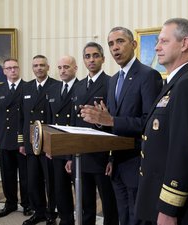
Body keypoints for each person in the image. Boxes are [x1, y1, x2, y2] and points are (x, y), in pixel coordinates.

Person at [80, 27, 162, 225]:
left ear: (133, 44)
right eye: (111, 44)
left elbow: (149, 123)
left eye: (120, 41)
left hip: (137, 162)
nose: (115, 48)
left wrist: (110, 120)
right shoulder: (114, 79)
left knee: (137, 218)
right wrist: (109, 153)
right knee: (122, 216)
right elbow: (111, 122)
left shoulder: (149, 75)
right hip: (116, 163)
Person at [134, 18, 188, 225]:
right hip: (155, 194)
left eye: (164, 41)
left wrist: (169, 207)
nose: (157, 47)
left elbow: (182, 150)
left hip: (169, 202)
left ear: (184, 44)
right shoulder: (173, 82)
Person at [65, 42, 119, 225]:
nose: (91, 59)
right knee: (84, 203)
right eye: (87, 56)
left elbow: (114, 122)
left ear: (103, 59)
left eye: (96, 55)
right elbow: (73, 122)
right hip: (81, 155)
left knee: (109, 204)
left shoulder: (111, 82)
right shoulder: (78, 86)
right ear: (83, 61)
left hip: (102, 155)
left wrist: (112, 158)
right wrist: (70, 157)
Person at [0, 58, 33, 218]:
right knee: (7, 175)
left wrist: (26, 140)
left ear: (19, 69)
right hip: (4, 139)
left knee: (26, 176)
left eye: (15, 67)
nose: (12, 70)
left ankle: (28, 204)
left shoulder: (29, 88)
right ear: (4, 71)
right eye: (9, 68)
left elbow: (29, 117)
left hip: (23, 140)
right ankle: (10, 203)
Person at [18, 55, 58, 225]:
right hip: (31, 142)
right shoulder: (26, 88)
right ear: (32, 68)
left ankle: (51, 212)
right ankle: (39, 211)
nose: (39, 68)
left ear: (48, 67)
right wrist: (22, 142)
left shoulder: (55, 85)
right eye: (35, 65)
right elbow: (21, 117)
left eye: (42, 65)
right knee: (33, 180)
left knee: (51, 180)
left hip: (48, 141)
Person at [47, 55, 79, 225]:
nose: (62, 71)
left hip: (74, 147)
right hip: (58, 146)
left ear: (75, 68)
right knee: (60, 188)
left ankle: (82, 219)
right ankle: (66, 220)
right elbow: (50, 121)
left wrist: (72, 154)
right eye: (60, 68)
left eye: (66, 67)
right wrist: (50, 147)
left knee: (80, 189)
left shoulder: (82, 88)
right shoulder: (53, 89)